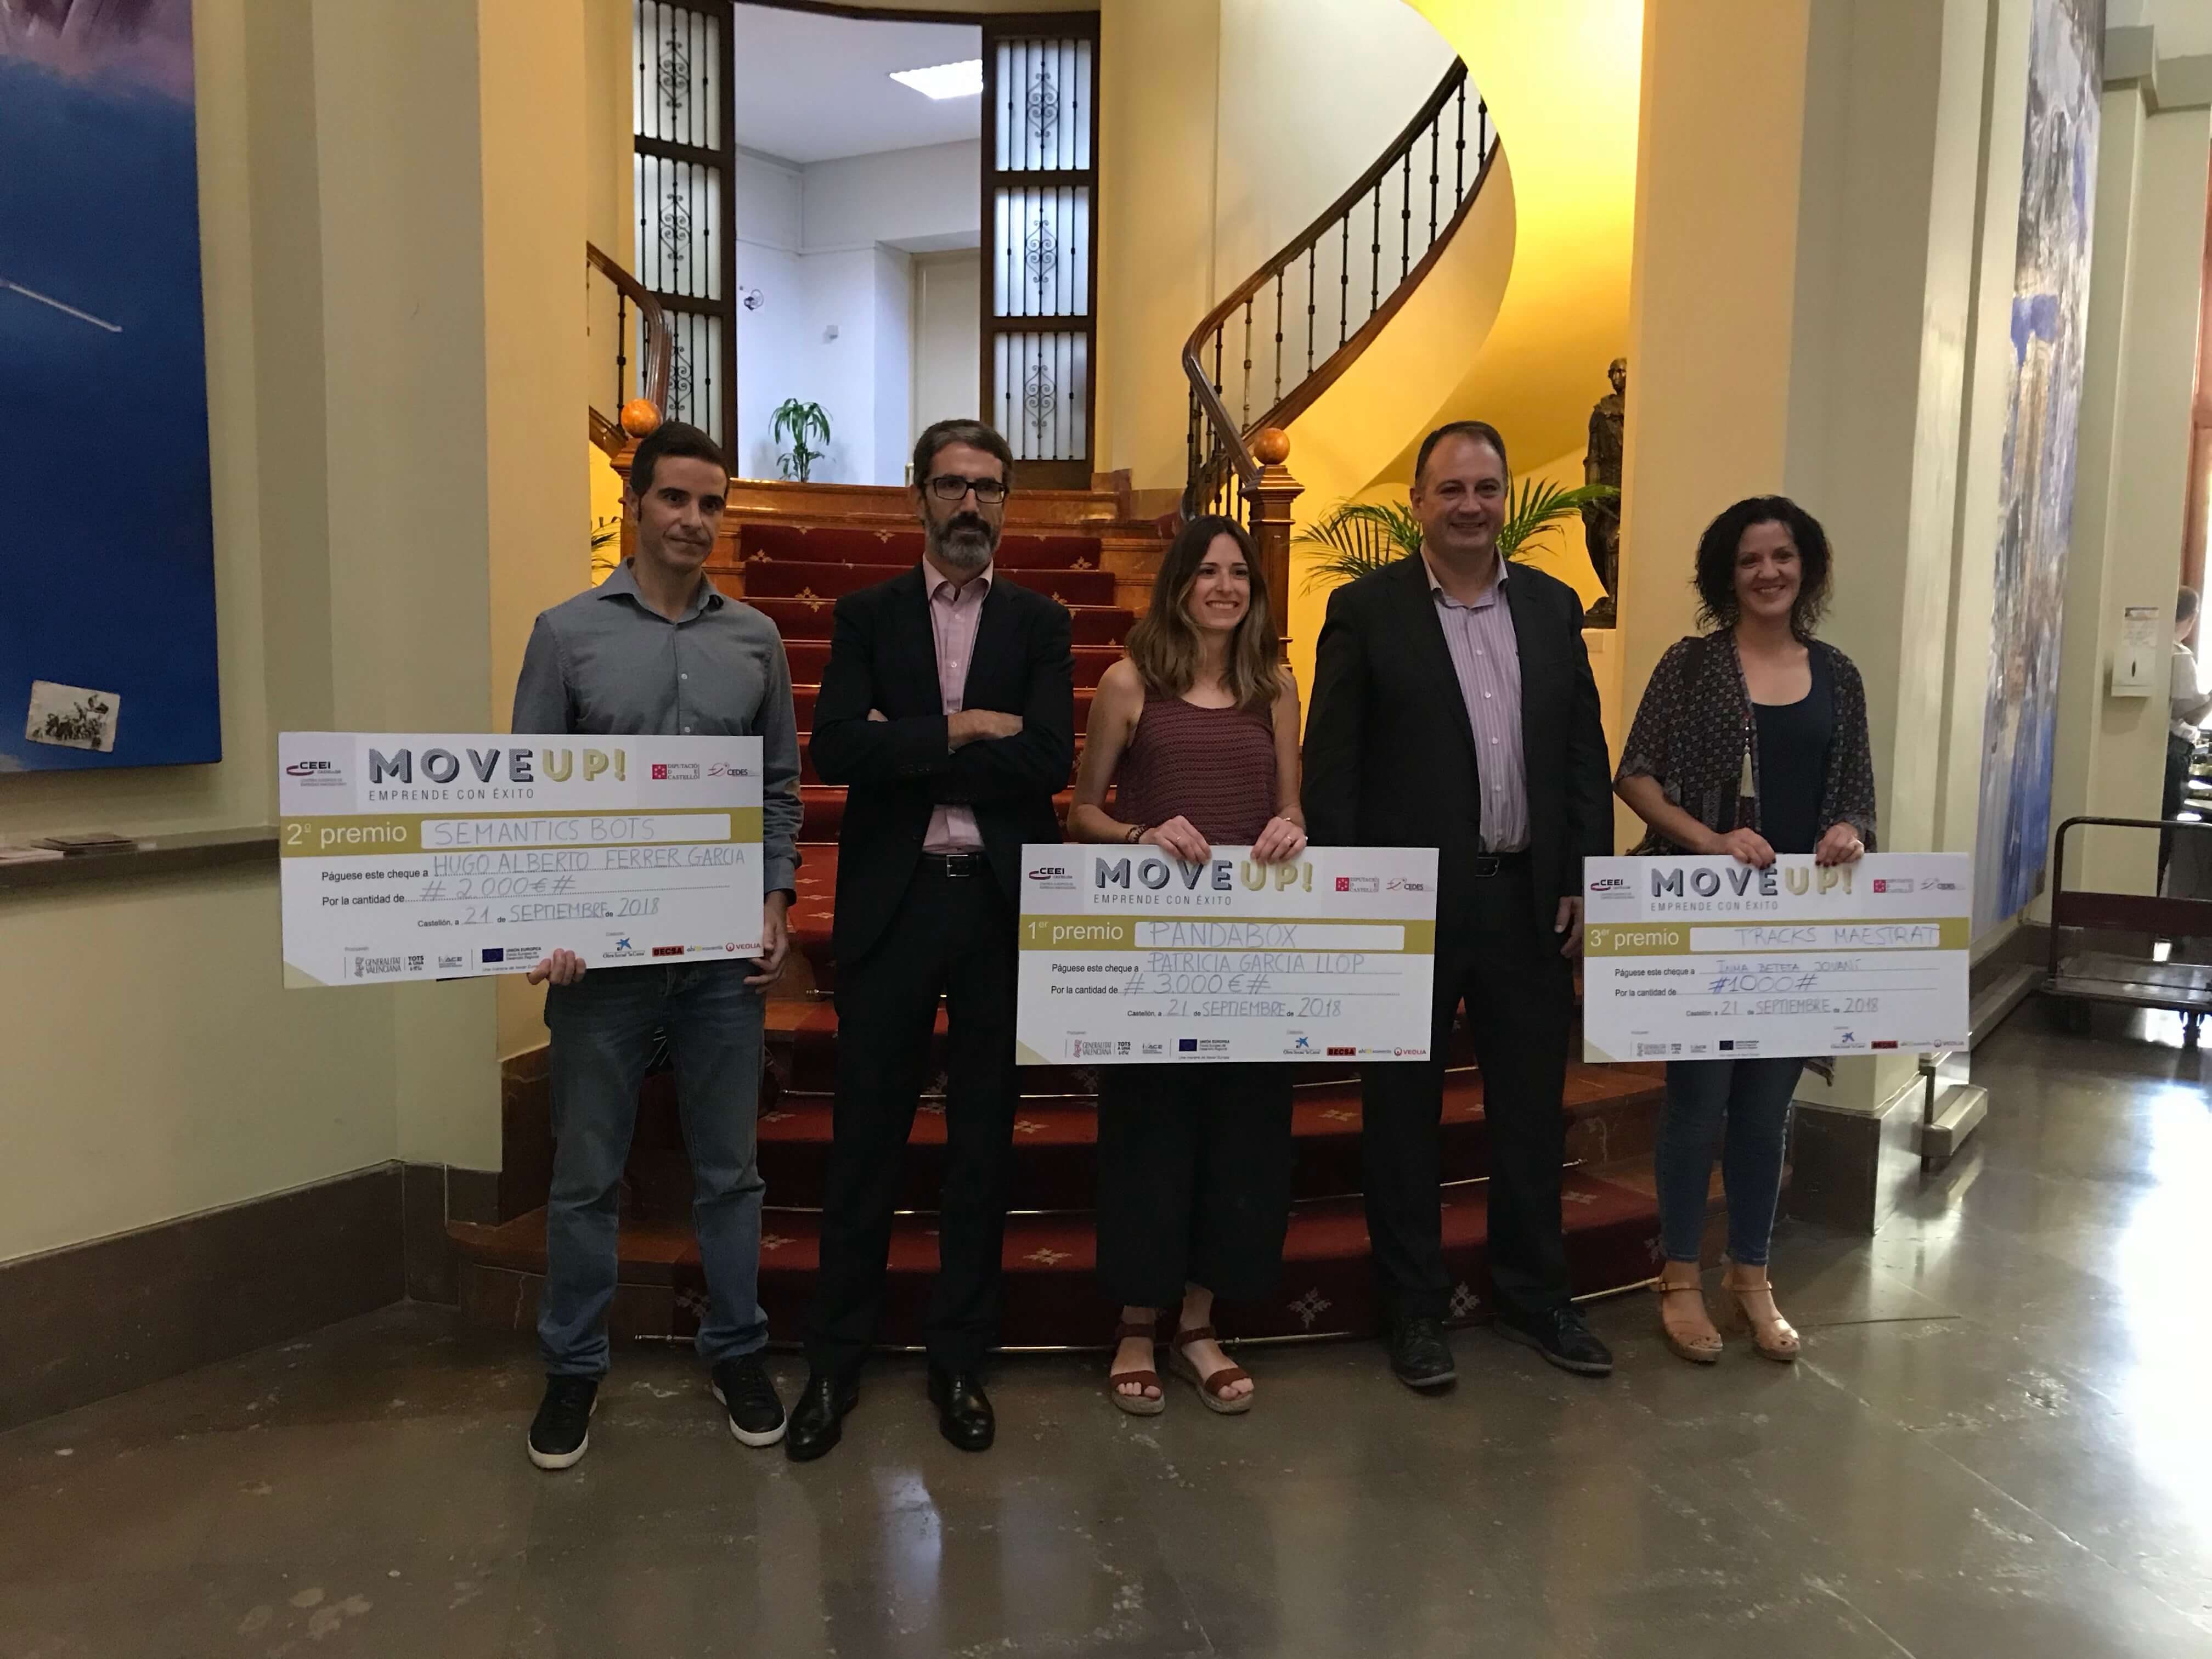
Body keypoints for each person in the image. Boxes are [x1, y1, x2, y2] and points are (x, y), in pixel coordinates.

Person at [510, 420, 802, 1469]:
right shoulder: (565, 634)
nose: (693, 519)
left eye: (711, 503)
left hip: (720, 960)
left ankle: (737, 1348)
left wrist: (775, 897)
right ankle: (572, 1365)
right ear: (635, 504)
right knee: (586, 1173)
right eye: (674, 498)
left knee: (730, 1172)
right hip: (604, 968)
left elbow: (777, 787)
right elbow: (526, 795)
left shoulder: (756, 640)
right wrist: (546, 922)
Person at [1302, 420, 1615, 1391]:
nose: (1471, 506)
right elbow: (1332, 768)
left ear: (1505, 496)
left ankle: (1535, 1294)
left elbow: (1581, 755)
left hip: (1529, 902)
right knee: (1402, 1118)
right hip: (1408, 911)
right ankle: (1413, 1308)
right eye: (1451, 489)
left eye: (1486, 488)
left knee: (1529, 1112)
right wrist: (1349, 901)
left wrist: (1585, 877)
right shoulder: (1366, 611)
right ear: (1417, 504)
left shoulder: (1555, 608)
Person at [789, 418, 1076, 1460]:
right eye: (952, 485)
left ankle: (960, 1358)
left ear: (1006, 503)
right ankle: (835, 1360)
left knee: (982, 1146)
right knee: (865, 1140)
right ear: (918, 496)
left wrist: (906, 747)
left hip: (997, 905)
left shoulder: (1041, 621)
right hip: (895, 901)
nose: (969, 505)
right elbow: (835, 749)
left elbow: (1046, 759)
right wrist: (963, 728)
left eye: (987, 488)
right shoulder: (868, 615)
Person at [1614, 495, 1875, 1365]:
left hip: (1797, 931)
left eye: (1783, 556)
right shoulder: (1691, 666)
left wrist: (1850, 832)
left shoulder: (1838, 674)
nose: (1769, 572)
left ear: (1807, 566)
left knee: (1767, 1113)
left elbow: (1856, 793)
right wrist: (1709, 839)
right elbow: (1636, 776)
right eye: (1750, 559)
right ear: (1726, 575)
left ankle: (1752, 1277)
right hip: (1706, 921)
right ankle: (1680, 1277)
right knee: (1697, 1108)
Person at [1065, 515, 1307, 1417]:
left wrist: (1292, 828)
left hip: (1252, 951)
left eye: (1238, 572)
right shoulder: (1130, 681)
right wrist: (1140, 832)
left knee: (1241, 1138)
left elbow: (1291, 807)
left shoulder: (1276, 686)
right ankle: (1136, 1323)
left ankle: (1198, 1325)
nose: (1224, 586)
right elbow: (1082, 813)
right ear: (1177, 584)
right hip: (1155, 953)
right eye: (1206, 571)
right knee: (1151, 1134)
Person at [2163, 586, 2209, 887]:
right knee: (2164, 831)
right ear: (2192, 618)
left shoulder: (2158, 648)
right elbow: (2190, 715)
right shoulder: (2179, 656)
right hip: (2173, 751)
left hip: (2163, 750)